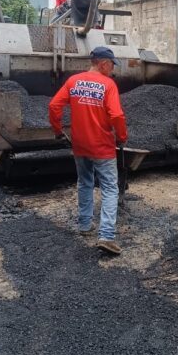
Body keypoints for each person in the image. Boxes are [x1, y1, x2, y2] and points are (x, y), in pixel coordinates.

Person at [49, 46, 127, 255]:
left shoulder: (74, 81)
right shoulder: (108, 84)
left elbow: (54, 106)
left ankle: (85, 225)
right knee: (110, 188)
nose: (113, 70)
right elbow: (117, 115)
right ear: (103, 64)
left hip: (80, 145)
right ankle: (106, 236)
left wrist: (58, 130)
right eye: (111, 65)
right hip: (102, 146)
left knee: (85, 182)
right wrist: (121, 136)